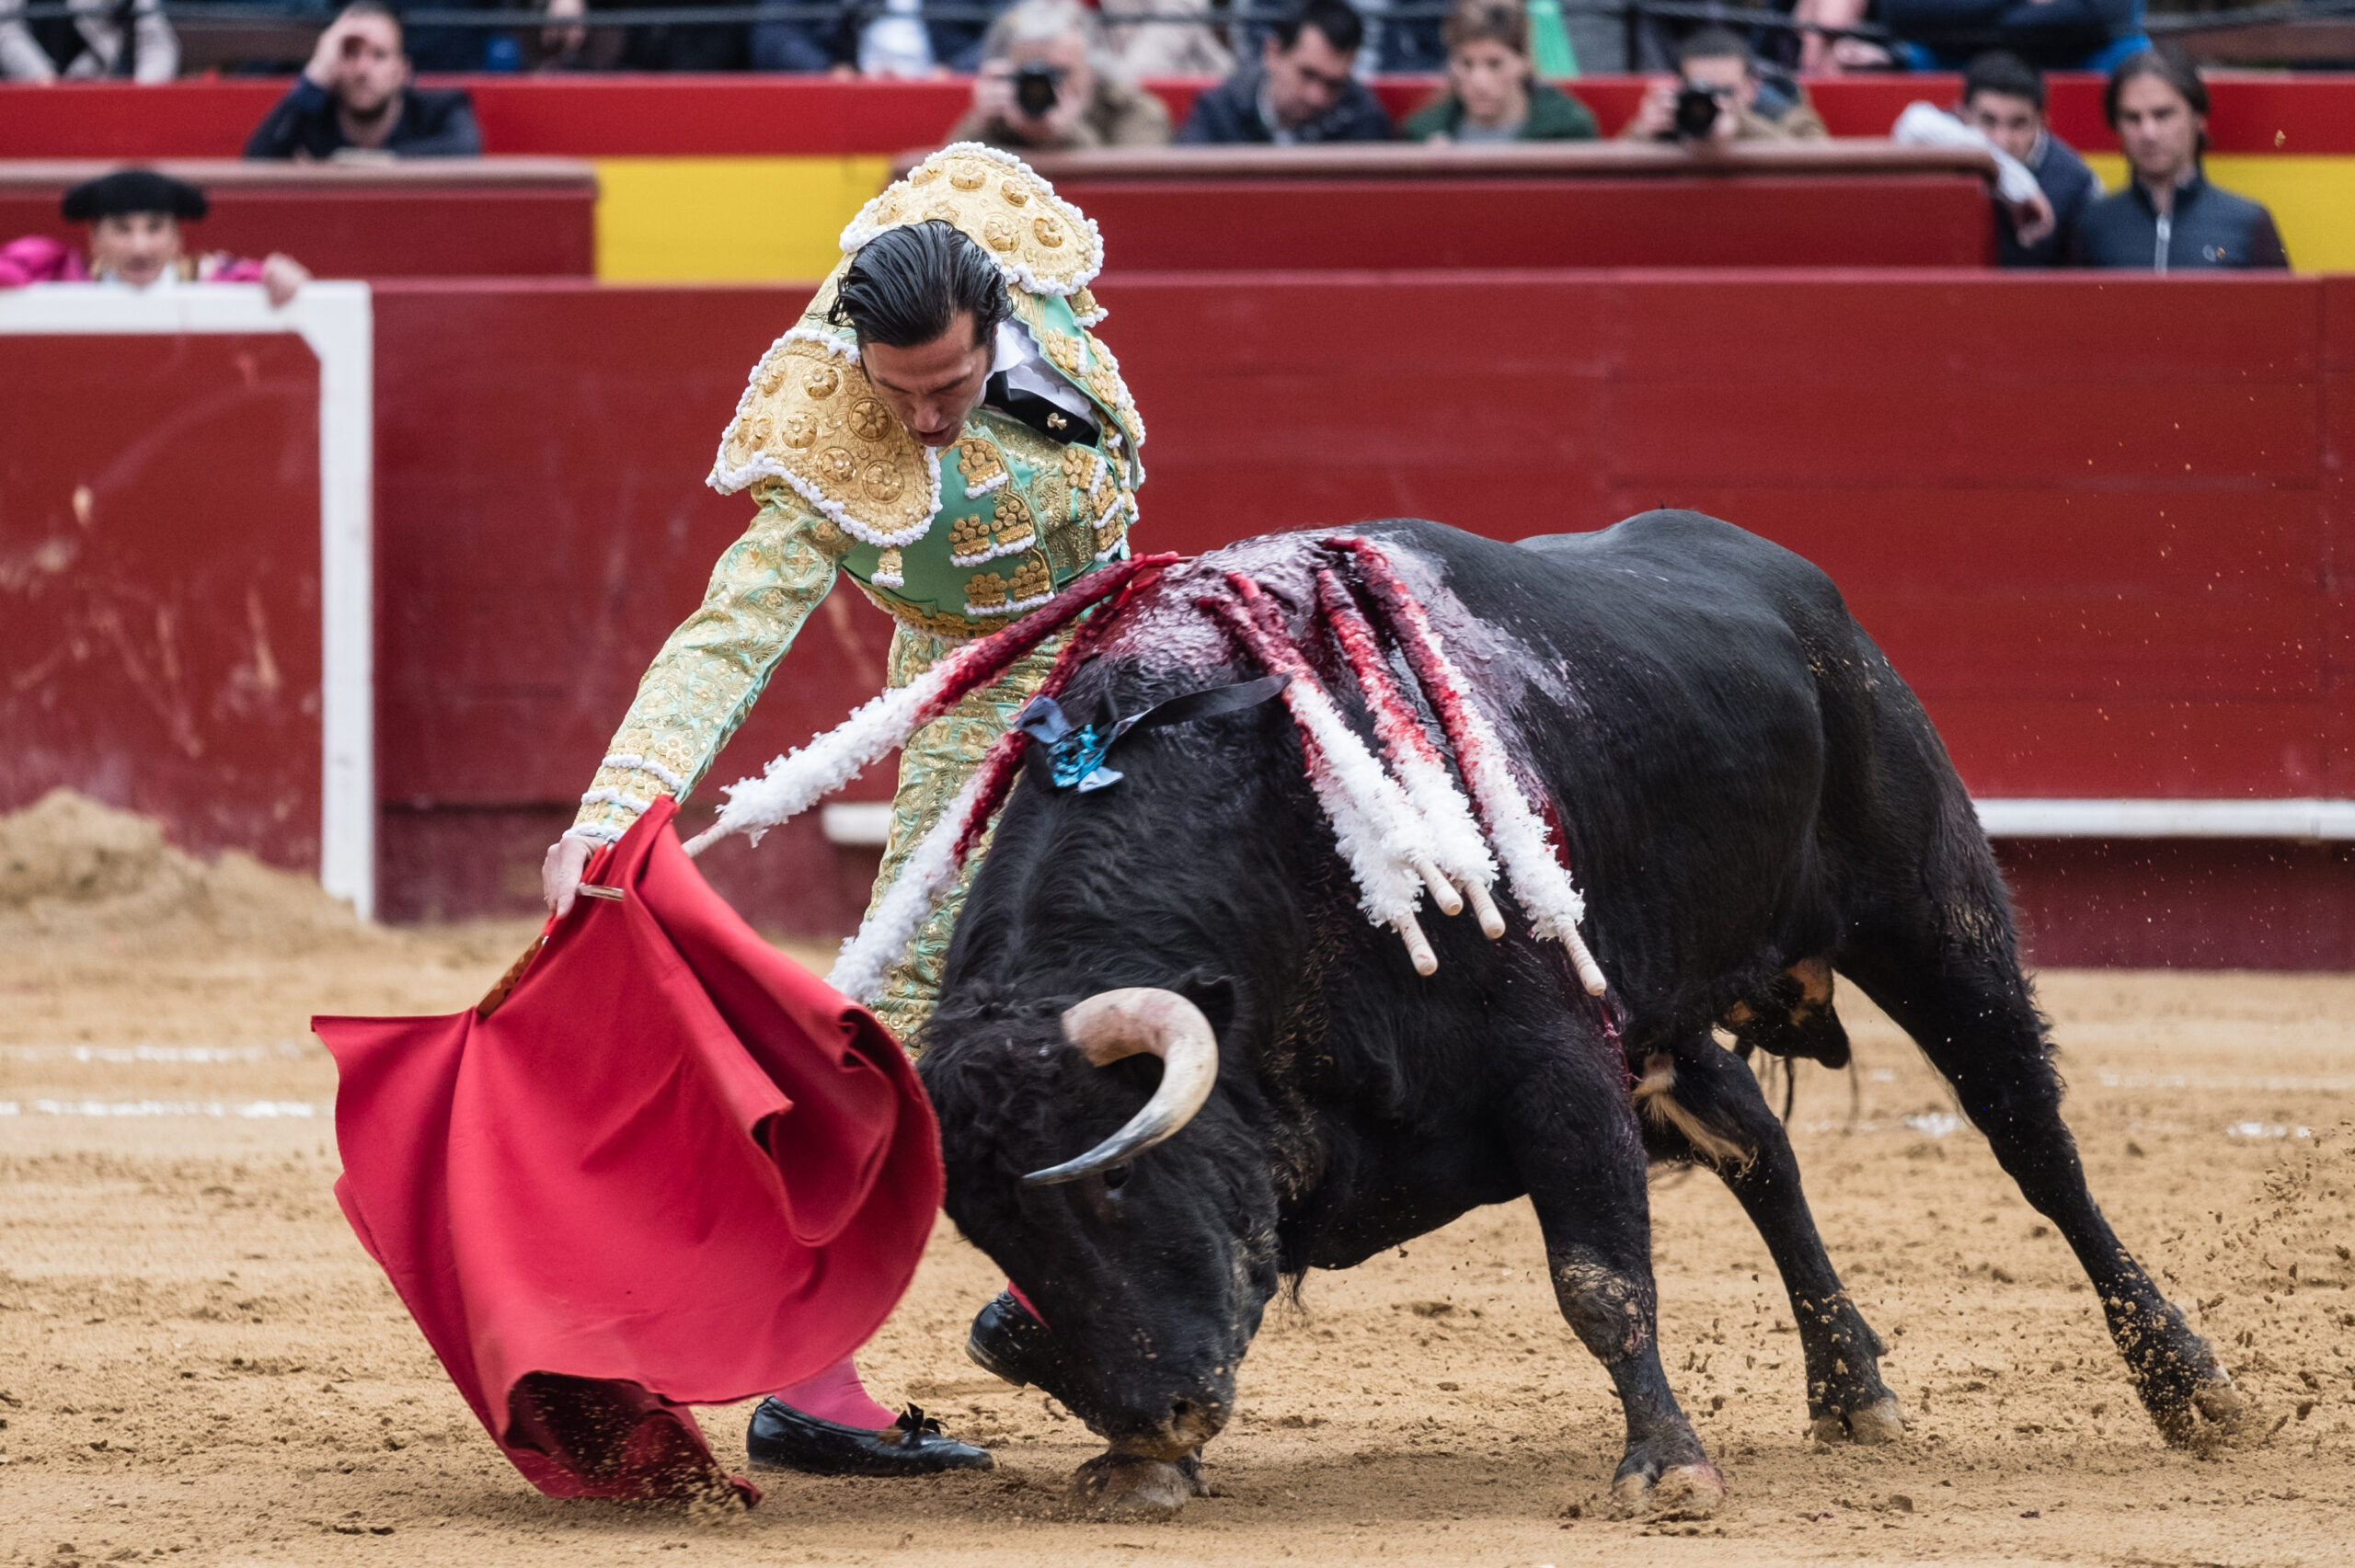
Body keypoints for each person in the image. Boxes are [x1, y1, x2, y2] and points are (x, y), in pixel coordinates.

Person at [540, 144, 1146, 1475]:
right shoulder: (824, 419)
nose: (928, 420)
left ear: (1003, 321)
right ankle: (811, 1380)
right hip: (984, 695)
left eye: (953, 385)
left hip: (1141, 655)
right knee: (911, 1013)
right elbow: (731, 629)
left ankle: (1060, 1300)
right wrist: (623, 796)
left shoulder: (1023, 263)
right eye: (901, 393)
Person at [2072, 48, 2287, 271]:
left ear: (2198, 119)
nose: (2148, 132)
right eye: (2132, 117)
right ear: (2116, 125)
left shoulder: (2249, 223)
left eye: (2163, 114)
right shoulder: (2092, 225)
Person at [0, 168, 310, 306]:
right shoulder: (65, 275)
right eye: (122, 230)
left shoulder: (212, 279)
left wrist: (282, 276)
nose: (140, 247)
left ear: (178, 240)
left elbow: (273, 279)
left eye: (155, 228)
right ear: (95, 240)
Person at [244, 3, 482, 161]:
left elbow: (466, 149)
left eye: (379, 55)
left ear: (403, 71)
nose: (362, 69)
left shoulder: (441, 109)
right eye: (350, 54)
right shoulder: (312, 114)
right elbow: (257, 158)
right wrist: (315, 75)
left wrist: (348, 164)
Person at [947, 0, 1171, 153]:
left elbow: (1132, 197)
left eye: (1058, 73)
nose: (1040, 86)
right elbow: (942, 188)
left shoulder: (1132, 110)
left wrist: (1066, 136)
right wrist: (978, 126)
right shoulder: (998, 111)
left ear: (1093, 69)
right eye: (1031, 72)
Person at [1176, 0, 1393, 146]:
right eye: (1307, 74)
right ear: (1272, 52)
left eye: (1333, 84)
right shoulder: (1219, 111)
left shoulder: (1365, 121)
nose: (1316, 96)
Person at [1960, 51, 2097, 267]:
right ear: (1963, 116)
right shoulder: (1940, 147)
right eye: (1988, 121)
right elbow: (1913, 121)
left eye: (2018, 123)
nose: (2002, 141)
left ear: (2042, 122)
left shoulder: (2077, 184)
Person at [1401, 0, 1598, 144]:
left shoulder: (1568, 130)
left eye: (1495, 64)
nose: (1479, 81)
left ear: (1525, 60)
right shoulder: (1421, 133)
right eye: (1466, 64)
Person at [1618, 26, 1827, 145]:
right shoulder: (1676, 116)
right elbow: (1603, 175)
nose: (1713, 102)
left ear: (1752, 86)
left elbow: (1825, 166)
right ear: (1681, 87)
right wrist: (1642, 132)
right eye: (1702, 89)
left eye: (1725, 92)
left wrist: (1741, 124)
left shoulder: (1785, 108)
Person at [0, 0, 176, 82]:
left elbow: (155, 43)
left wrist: (142, 99)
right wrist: (42, 79)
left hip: (98, 99)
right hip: (23, 99)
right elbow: (4, 28)